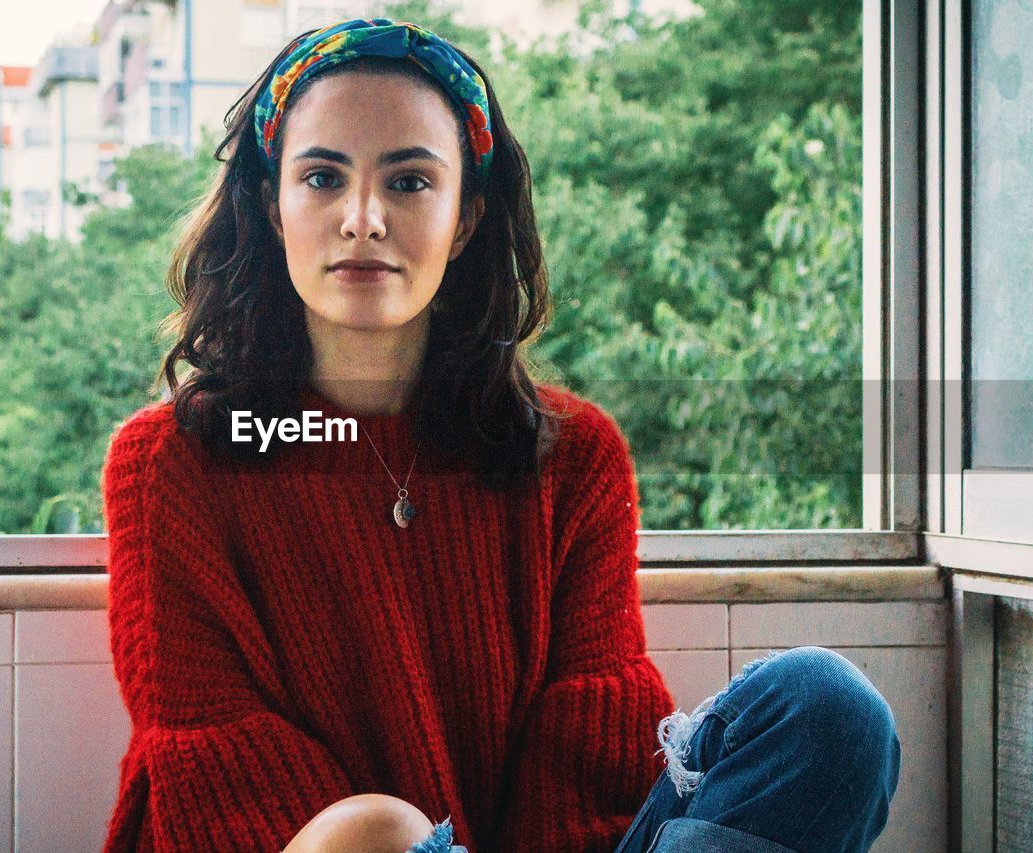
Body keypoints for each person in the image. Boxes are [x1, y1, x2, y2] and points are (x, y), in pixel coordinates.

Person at [99, 17, 901, 853]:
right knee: (376, 831)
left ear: (468, 216)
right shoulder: (170, 465)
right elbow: (220, 775)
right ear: (272, 207)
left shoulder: (572, 455)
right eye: (322, 177)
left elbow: (585, 761)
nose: (363, 217)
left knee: (826, 708)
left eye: (409, 182)